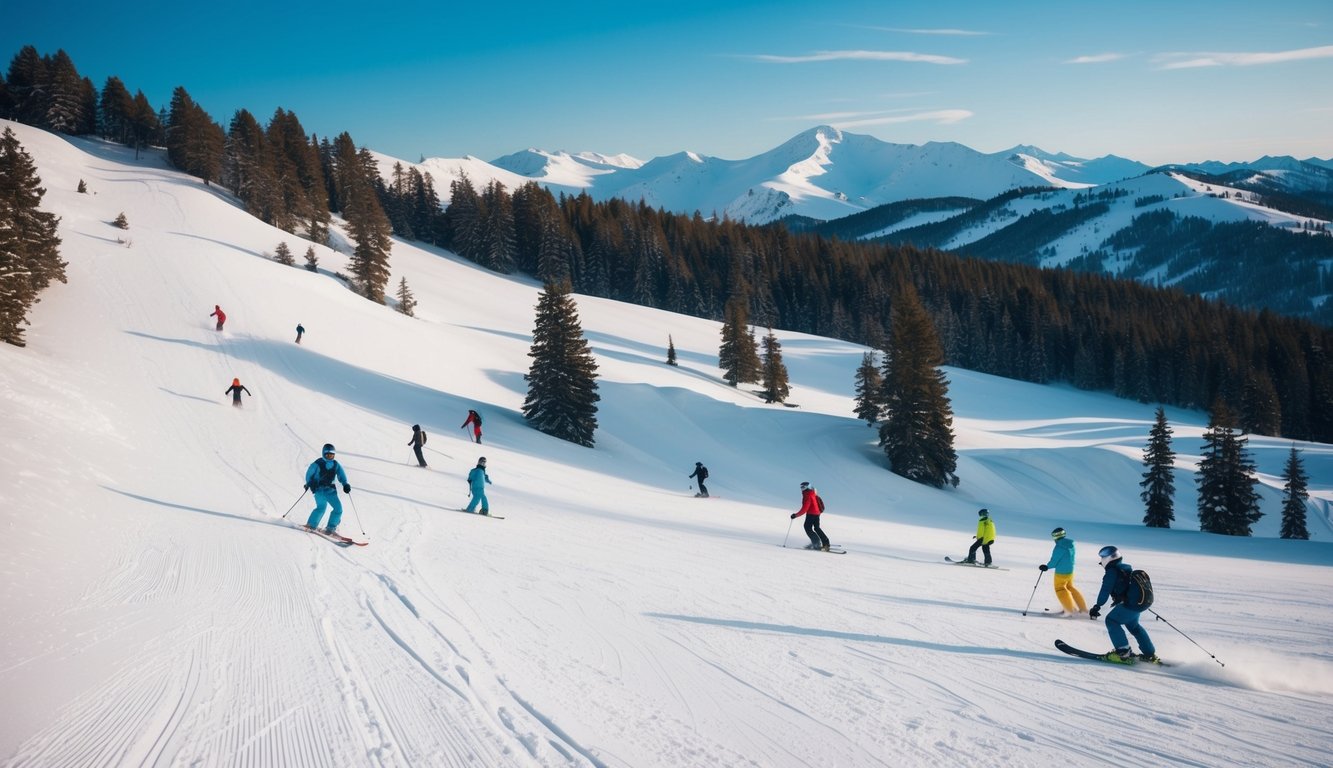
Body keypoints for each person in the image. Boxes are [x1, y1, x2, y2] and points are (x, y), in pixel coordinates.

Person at [1089, 546, 1159, 664]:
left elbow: (1105, 590)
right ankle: (1149, 654)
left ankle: (1123, 653)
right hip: (1137, 603)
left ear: (1108, 558)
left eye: (1102, 558)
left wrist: (1097, 606)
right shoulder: (1125, 568)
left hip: (1130, 604)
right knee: (1134, 626)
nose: (1101, 561)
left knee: (1111, 621)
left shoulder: (1112, 572)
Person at [304, 443, 351, 535]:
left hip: (330, 491)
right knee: (322, 507)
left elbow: (341, 475)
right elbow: (309, 474)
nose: (330, 457)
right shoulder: (317, 464)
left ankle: (330, 528)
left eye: (332, 455)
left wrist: (345, 484)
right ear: (323, 454)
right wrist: (308, 483)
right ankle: (311, 525)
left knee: (338, 509)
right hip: (319, 489)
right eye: (328, 454)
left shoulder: (335, 464)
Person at [1038, 527, 1087, 616]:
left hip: (1061, 572)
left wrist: (1046, 567)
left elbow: (1054, 561)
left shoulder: (1059, 547)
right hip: (1070, 571)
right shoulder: (1070, 544)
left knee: (1060, 589)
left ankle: (1069, 611)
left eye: (1054, 536)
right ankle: (1083, 609)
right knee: (1070, 587)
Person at [790, 481, 829, 551]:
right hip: (817, 513)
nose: (801, 489)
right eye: (801, 487)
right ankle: (825, 543)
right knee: (816, 528)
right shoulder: (812, 493)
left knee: (807, 527)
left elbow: (805, 509)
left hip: (811, 514)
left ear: (807, 487)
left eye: (803, 487)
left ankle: (816, 542)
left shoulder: (807, 495)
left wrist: (796, 515)